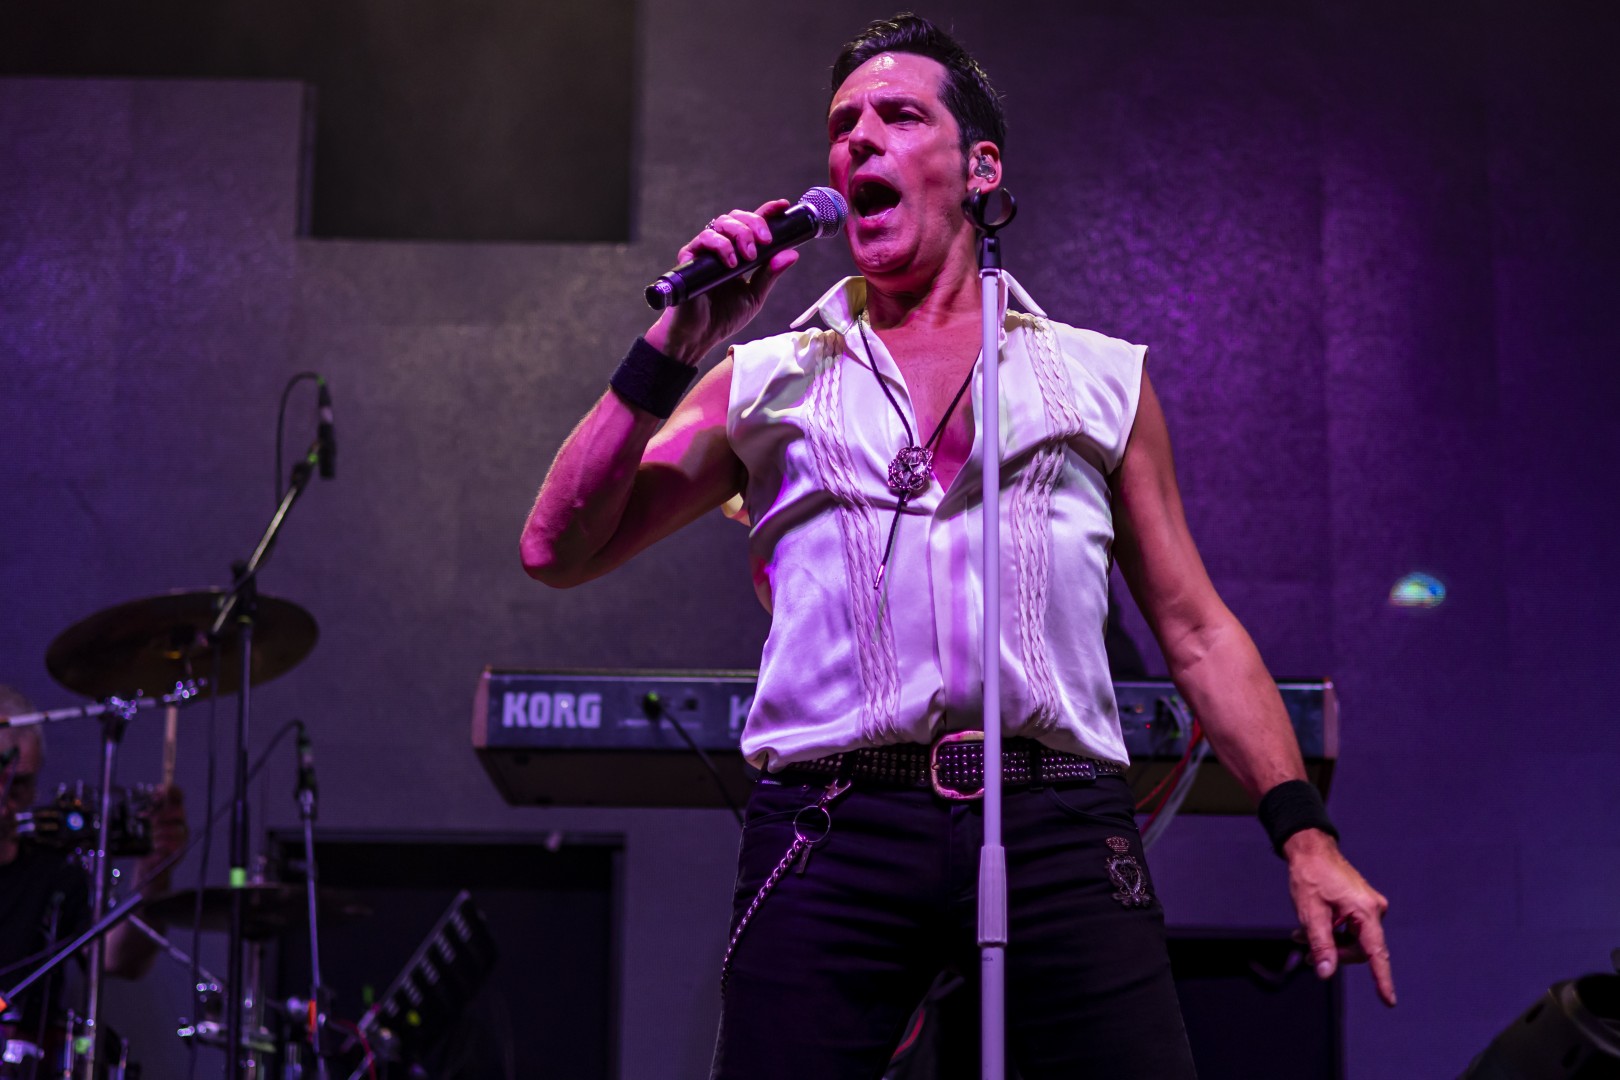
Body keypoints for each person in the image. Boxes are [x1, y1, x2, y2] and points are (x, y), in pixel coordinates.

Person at [522, 14, 1393, 1078]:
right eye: (843, 124)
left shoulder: (1098, 378)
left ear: (981, 168)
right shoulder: (764, 378)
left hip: (1056, 820)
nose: (859, 139)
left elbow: (1197, 630)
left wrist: (1306, 836)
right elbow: (556, 547)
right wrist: (676, 343)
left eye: (897, 115)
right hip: (832, 824)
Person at [1, 685, 189, 1043]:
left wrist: (153, 875)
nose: (4, 795)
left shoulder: (55, 866)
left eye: (19, 783)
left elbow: (116, 959)